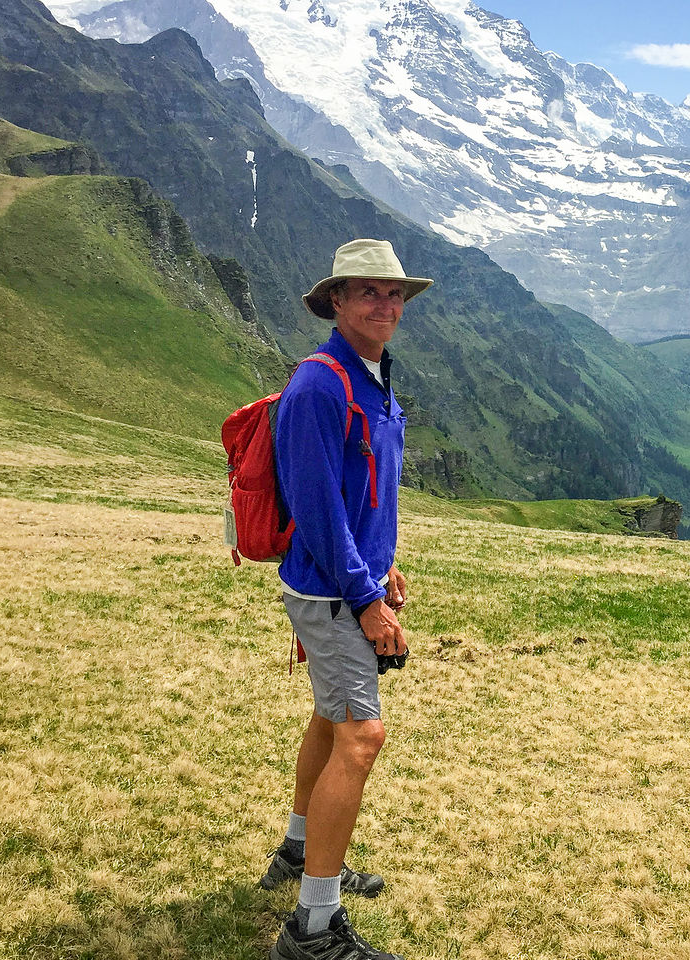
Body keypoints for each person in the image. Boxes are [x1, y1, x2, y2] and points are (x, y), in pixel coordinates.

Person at [263, 239, 432, 960]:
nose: (386, 306)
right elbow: (317, 504)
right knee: (362, 737)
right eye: (368, 292)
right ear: (335, 300)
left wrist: (383, 563)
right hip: (331, 593)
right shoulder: (320, 385)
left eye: (395, 295)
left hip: (351, 581)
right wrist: (366, 596)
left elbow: (367, 493)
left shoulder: (373, 376)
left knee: (332, 722)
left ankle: (301, 853)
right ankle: (312, 928)